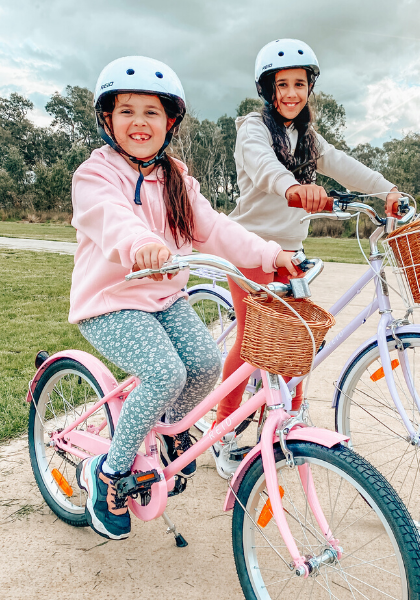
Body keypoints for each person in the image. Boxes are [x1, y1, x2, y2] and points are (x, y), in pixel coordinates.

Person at [70, 56, 302, 540]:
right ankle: (109, 474)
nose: (139, 122)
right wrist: (141, 246)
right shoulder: (94, 176)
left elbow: (213, 227)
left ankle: (168, 431)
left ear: (170, 122)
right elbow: (113, 218)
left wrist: (268, 252)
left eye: (152, 112)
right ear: (107, 119)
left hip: (165, 296)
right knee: (164, 373)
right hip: (112, 299)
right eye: (127, 111)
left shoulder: (177, 177)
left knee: (203, 364)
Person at [211, 39, 403, 479]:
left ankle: (288, 423)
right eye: (283, 85)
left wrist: (387, 190)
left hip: (291, 254)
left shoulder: (307, 138)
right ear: (267, 89)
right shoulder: (253, 129)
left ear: (309, 87)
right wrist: (292, 188)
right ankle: (224, 432)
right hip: (251, 248)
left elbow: (344, 165)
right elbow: (263, 167)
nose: (292, 93)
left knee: (298, 340)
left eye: (300, 83)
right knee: (251, 344)